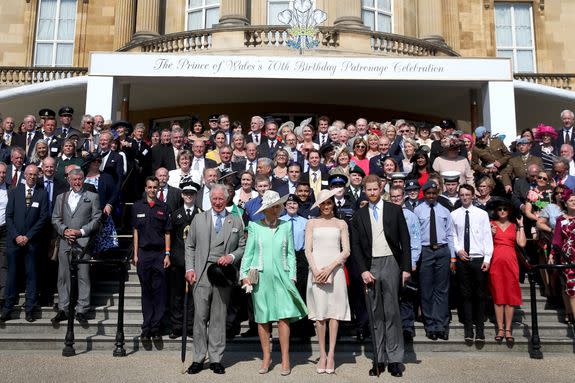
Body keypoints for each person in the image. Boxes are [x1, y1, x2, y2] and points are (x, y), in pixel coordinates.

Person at [240, 190, 307, 376]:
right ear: (266, 210)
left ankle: (285, 358)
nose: (277, 209)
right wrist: (244, 275)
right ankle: (266, 356)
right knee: (263, 318)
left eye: (278, 206)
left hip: (283, 276)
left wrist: (292, 276)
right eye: (273, 207)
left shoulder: (286, 226)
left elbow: (291, 254)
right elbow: (249, 253)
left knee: (284, 316)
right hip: (260, 277)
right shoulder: (254, 226)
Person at [351, 175, 411, 377]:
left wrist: (406, 268)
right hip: (370, 265)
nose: (372, 193)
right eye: (368, 190)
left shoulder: (394, 210)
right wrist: (363, 270)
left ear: (380, 188)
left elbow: (405, 239)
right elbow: (356, 246)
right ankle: (379, 359)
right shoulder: (359, 215)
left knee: (392, 311)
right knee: (374, 313)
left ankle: (394, 359)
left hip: (391, 262)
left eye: (375, 189)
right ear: (364, 191)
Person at [185, 184, 246, 375]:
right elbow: (190, 246)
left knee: (219, 317)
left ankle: (216, 358)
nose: (218, 202)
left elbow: (243, 246)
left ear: (227, 199)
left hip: (223, 275)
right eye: (214, 199)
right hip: (202, 273)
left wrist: (232, 257)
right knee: (200, 317)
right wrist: (190, 268)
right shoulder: (198, 219)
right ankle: (197, 358)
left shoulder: (235, 221)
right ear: (210, 199)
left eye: (221, 199)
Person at [305, 188, 351, 374]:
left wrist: (330, 268)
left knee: (334, 313)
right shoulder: (311, 223)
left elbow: (346, 250)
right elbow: (308, 250)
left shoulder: (341, 223)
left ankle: (331, 354)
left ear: (333, 203)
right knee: (320, 315)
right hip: (316, 271)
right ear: (319, 205)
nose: (326, 206)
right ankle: (322, 354)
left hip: (336, 271)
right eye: (323, 203)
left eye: (329, 202)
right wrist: (316, 271)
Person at [51, 168, 102, 325]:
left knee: (83, 276)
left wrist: (80, 232)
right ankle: (64, 308)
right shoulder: (61, 197)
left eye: (80, 179)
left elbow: (96, 219)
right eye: (75, 179)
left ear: (84, 179)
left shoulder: (92, 197)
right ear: (69, 180)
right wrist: (65, 231)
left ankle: (82, 309)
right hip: (65, 241)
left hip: (83, 242)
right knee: (63, 275)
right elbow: (55, 218)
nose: (78, 182)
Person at [0, 165, 49, 322]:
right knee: (12, 275)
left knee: (31, 276)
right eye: (29, 174)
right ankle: (7, 308)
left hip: (32, 242)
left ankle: (30, 309)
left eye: (35, 175)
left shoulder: (42, 194)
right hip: (14, 242)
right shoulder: (14, 192)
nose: (32, 177)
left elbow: (43, 219)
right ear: (24, 175)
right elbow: (8, 216)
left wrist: (27, 236)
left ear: (38, 176)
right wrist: (16, 236)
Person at [451, 184, 493, 343]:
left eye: (467, 194)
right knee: (465, 294)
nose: (465, 197)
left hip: (478, 258)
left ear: (472, 195)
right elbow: (453, 235)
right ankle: (468, 328)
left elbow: (487, 237)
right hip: (463, 259)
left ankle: (480, 329)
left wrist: (487, 258)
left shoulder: (481, 214)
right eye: (462, 195)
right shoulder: (454, 214)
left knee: (480, 294)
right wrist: (458, 250)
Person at [414, 180, 455, 341]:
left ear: (437, 193)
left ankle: (441, 325)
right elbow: (416, 235)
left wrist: (452, 256)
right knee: (426, 289)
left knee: (442, 289)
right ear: (424, 194)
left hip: (442, 250)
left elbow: (450, 234)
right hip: (426, 251)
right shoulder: (418, 210)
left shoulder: (445, 211)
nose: (431, 196)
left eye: (433, 193)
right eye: (428, 193)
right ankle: (430, 325)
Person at [132, 176, 172, 340]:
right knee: (146, 291)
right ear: (145, 188)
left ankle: (156, 328)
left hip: (159, 254)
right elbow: (135, 231)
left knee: (159, 292)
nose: (152, 190)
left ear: (158, 189)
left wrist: (168, 253)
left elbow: (167, 232)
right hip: (143, 253)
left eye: (155, 187)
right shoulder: (136, 207)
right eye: (149, 187)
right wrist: (135, 254)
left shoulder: (164, 207)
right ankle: (146, 327)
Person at [489, 198, 526, 346]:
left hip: (511, 263)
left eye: (505, 209)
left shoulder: (514, 226)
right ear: (496, 211)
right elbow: (484, 243)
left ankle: (508, 329)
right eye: (499, 209)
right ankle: (500, 329)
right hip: (496, 262)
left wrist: (521, 226)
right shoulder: (491, 225)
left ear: (509, 211)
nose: (502, 211)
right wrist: (490, 234)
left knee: (510, 297)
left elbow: (522, 243)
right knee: (498, 296)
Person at [167, 177, 201, 339]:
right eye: (186, 193)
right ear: (182, 195)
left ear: (195, 195)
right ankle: (177, 326)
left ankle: (190, 326)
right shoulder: (175, 215)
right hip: (178, 260)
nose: (189, 196)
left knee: (194, 296)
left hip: (195, 261)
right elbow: (170, 237)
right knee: (176, 294)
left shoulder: (201, 214)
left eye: (192, 194)